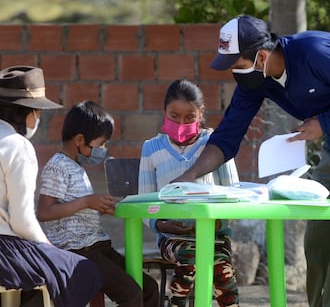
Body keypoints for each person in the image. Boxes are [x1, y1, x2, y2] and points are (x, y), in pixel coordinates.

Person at [173, 15, 330, 307]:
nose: (233, 73)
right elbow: (227, 136)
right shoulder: (255, 82)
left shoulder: (315, 52)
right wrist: (189, 175)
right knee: (318, 240)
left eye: (236, 65)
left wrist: (325, 123)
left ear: (260, 57)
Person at [36, 100, 160, 307]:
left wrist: (98, 208)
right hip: (79, 250)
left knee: (149, 288)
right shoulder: (57, 166)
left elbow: (74, 208)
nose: (103, 149)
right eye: (100, 144)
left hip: (98, 246)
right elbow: (44, 211)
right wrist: (86, 201)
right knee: (130, 295)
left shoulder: (76, 167)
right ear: (79, 139)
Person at [0, 65, 103, 307]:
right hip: (4, 249)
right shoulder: (17, 146)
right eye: (37, 112)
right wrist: (48, 248)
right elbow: (22, 221)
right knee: (82, 270)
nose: (38, 118)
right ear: (27, 112)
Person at [139, 79, 239, 307]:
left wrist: (216, 223)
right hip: (172, 238)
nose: (181, 123)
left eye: (189, 117)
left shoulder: (216, 144)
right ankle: (178, 303)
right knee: (191, 256)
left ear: (201, 113)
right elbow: (144, 202)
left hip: (215, 236)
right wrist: (161, 225)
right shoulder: (151, 149)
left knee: (222, 271)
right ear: (164, 111)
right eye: (174, 116)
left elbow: (235, 195)